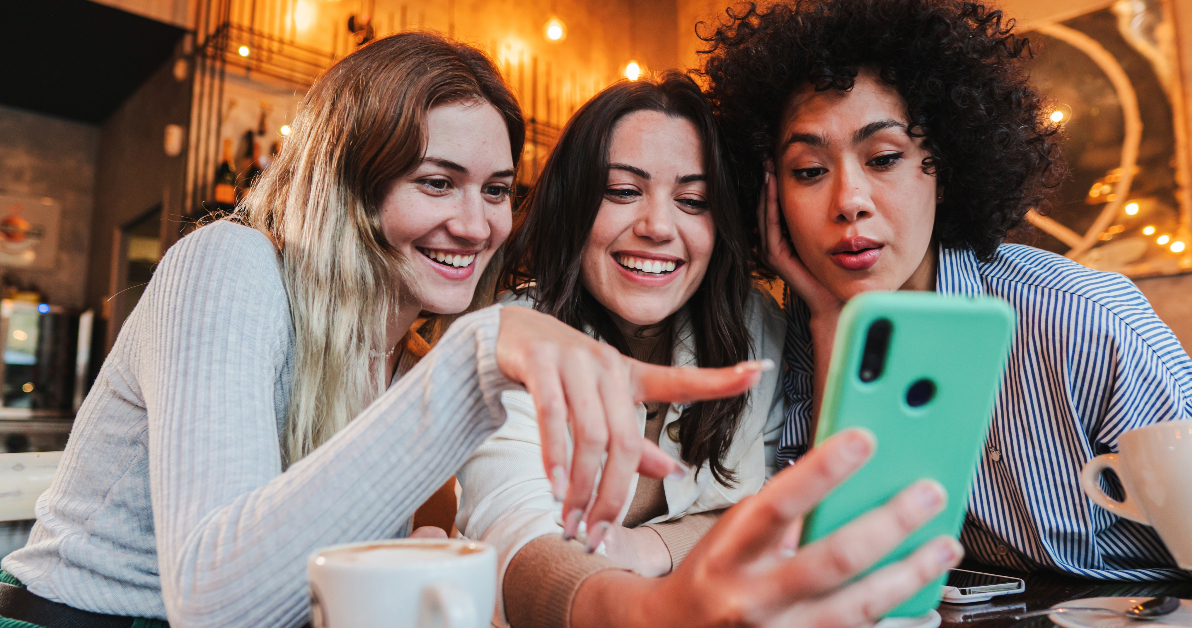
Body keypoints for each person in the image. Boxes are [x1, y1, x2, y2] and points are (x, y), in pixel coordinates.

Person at [0, 32, 761, 628]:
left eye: (497, 190)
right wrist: (477, 356)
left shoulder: (404, 358)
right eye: (436, 182)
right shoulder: (227, 264)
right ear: (349, 182)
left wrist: (399, 562)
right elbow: (215, 603)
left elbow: (294, 564)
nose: (476, 224)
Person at [700, 0, 1192, 580]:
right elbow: (831, 569)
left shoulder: (1076, 320)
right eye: (810, 171)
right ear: (770, 195)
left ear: (943, 169)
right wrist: (832, 330)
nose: (848, 201)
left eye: (884, 158)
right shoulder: (785, 341)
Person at [456, 73, 786, 627]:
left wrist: (649, 548)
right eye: (623, 192)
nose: (658, 225)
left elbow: (786, 509)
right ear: (575, 206)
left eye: (693, 200)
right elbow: (515, 533)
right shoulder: (514, 337)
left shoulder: (755, 328)